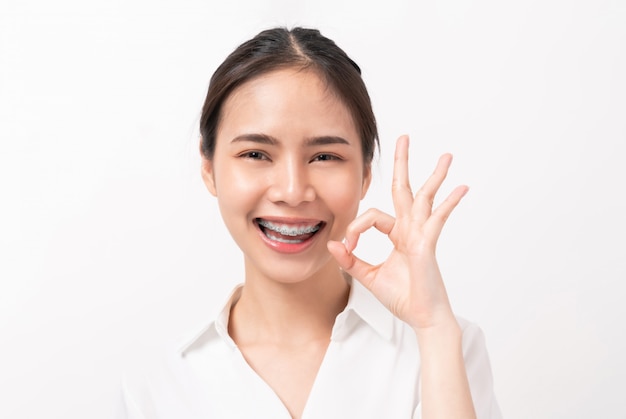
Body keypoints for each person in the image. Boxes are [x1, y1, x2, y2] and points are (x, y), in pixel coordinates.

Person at [116, 27, 502, 419]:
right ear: (209, 167)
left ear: (366, 174)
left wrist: (433, 329)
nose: (292, 190)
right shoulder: (157, 382)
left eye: (324, 157)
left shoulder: (443, 345)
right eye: (255, 154)